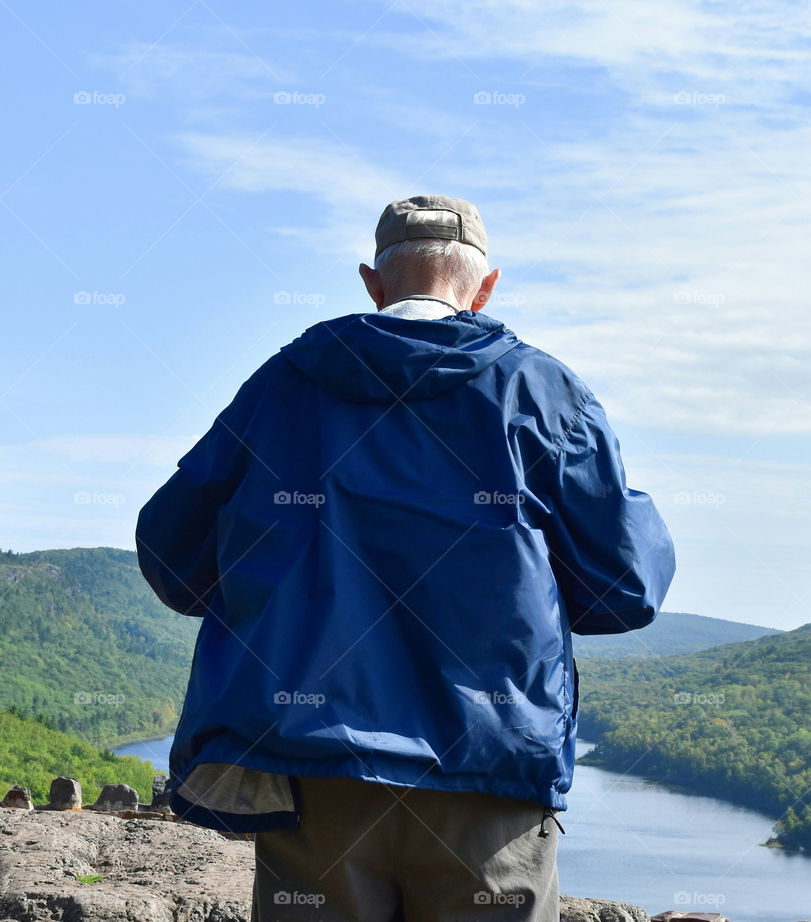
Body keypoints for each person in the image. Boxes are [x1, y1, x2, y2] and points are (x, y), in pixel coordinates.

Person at [135, 194, 676, 921]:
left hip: (314, 775)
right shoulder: (541, 393)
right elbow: (626, 587)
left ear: (373, 282)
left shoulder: (285, 384)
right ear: (485, 287)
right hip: (490, 774)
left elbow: (173, 556)